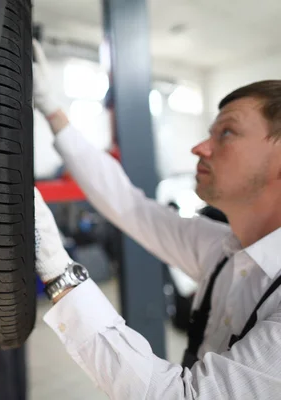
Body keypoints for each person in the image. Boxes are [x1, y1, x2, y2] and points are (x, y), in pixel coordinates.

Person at [32, 39, 281, 399]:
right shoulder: (223, 249)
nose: (199, 147)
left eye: (226, 132)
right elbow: (129, 206)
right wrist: (51, 108)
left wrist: (60, 271)